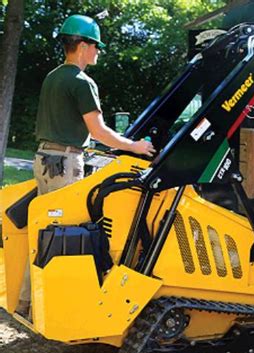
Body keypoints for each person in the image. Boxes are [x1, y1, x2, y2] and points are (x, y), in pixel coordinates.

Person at [15, 14, 156, 319]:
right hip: (64, 164)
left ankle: (27, 303)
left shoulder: (52, 77)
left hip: (44, 159)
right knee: (65, 234)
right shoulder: (81, 82)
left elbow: (74, 128)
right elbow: (99, 131)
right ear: (82, 45)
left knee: (44, 231)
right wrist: (136, 147)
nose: (98, 52)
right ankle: (52, 308)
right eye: (96, 45)